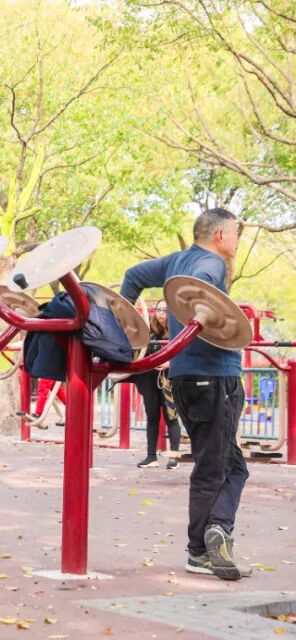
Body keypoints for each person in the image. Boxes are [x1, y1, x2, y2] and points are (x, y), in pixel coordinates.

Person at [120, 207, 251, 581]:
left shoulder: (174, 262)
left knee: (228, 464)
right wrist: (202, 301)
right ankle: (205, 544)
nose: (236, 242)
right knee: (216, 467)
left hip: (182, 377)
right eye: (235, 234)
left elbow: (132, 276)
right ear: (220, 235)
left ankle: (213, 535)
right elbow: (201, 282)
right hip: (215, 378)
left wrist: (126, 328)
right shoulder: (211, 265)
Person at [130, 301, 181, 469]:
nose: (161, 313)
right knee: (152, 417)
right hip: (148, 378)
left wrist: (170, 364)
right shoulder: (149, 330)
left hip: (169, 378)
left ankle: (173, 458)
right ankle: (151, 456)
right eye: (158, 310)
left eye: (165, 310)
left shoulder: (178, 332)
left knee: (171, 417)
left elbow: (185, 354)